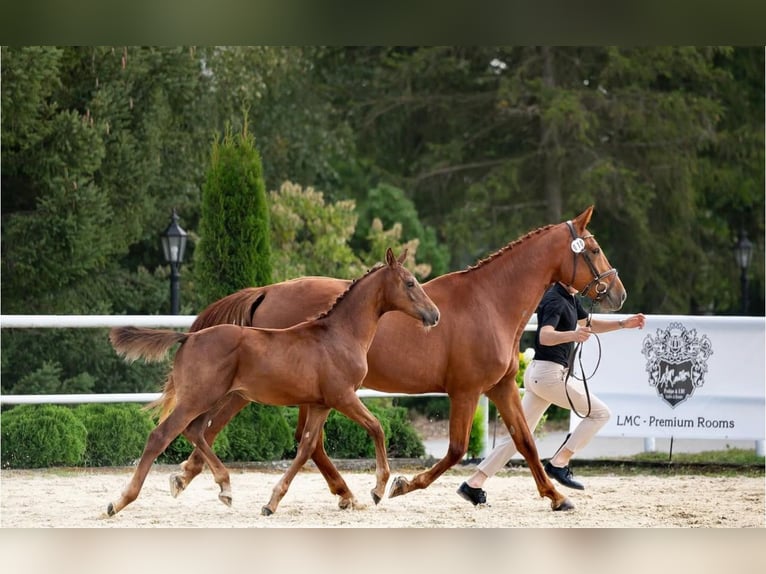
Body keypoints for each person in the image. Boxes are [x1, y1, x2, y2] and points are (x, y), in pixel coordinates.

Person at [457, 281, 646, 506]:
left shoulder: (570, 297)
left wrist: (623, 323)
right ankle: (559, 462)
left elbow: (589, 323)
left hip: (541, 374)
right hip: (549, 375)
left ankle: (474, 484)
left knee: (519, 436)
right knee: (600, 414)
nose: (584, 284)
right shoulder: (555, 299)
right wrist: (573, 336)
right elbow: (545, 336)